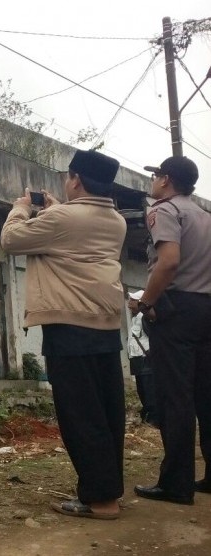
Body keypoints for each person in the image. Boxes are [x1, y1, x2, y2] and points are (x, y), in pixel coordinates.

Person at [0, 150, 127, 520]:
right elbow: (71, 231)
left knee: (80, 415)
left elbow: (11, 239)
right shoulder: (116, 220)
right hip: (104, 327)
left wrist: (21, 207)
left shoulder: (62, 218)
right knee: (106, 413)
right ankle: (109, 491)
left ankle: (100, 500)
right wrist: (56, 209)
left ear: (76, 180)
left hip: (69, 329)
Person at [130, 155, 211, 506]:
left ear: (165, 180)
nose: (154, 183)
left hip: (176, 310)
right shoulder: (206, 217)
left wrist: (146, 303)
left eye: (156, 177)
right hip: (207, 309)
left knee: (175, 396)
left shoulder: (164, 210)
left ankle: (176, 483)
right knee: (207, 395)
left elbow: (169, 261)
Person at [127, 290, 157, 427]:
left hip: (146, 359)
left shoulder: (144, 318)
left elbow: (153, 337)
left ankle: (153, 418)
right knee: (142, 390)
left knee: (149, 390)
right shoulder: (134, 318)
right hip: (137, 359)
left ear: (140, 302)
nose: (130, 301)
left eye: (133, 299)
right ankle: (147, 416)